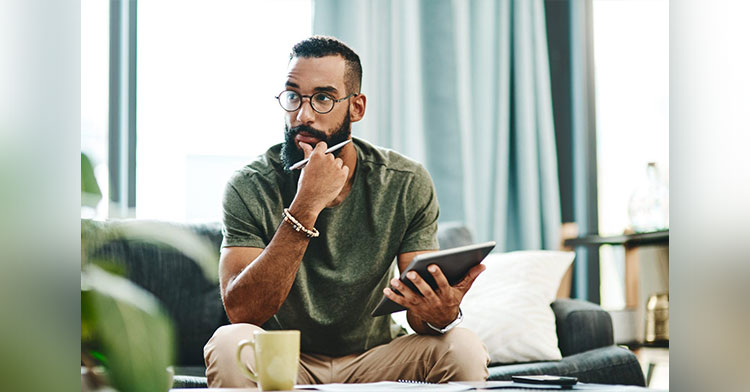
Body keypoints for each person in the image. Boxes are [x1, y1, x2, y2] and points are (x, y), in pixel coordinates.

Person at [203, 35, 489, 388]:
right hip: (286, 359)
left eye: (322, 98)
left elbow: (420, 319)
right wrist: (305, 205)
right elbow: (242, 312)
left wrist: (441, 312)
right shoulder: (248, 185)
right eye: (293, 96)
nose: (302, 115)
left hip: (378, 356)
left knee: (463, 346)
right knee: (229, 344)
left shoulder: (404, 182)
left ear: (356, 108)